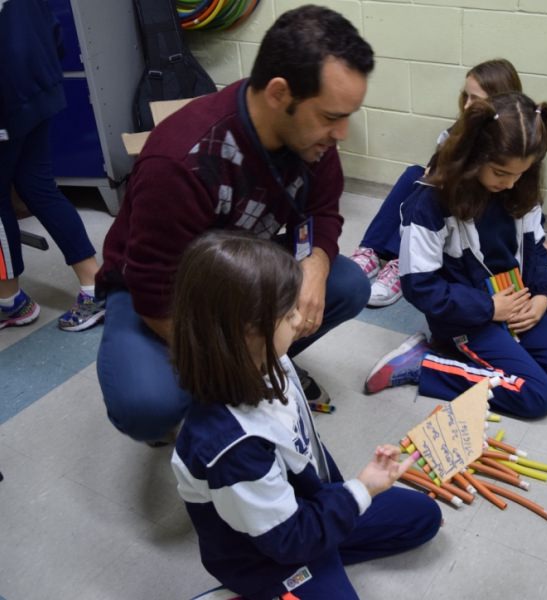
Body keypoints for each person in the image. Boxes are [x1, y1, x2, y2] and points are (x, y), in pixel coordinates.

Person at [95, 5, 373, 443]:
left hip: (242, 269)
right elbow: (153, 294)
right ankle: (230, 375)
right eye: (330, 116)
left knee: (347, 284)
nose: (341, 134)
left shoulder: (310, 137)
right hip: (162, 290)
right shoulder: (180, 161)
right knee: (147, 405)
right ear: (279, 94)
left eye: (346, 116)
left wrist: (315, 266)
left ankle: (267, 357)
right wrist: (236, 369)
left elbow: (322, 211)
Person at [170, 230, 441, 600]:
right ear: (249, 331)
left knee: (423, 517)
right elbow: (287, 540)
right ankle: (269, 587)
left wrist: (346, 496)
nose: (301, 319)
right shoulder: (231, 445)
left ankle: (321, 558)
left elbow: (303, 445)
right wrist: (361, 491)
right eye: (289, 313)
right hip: (267, 554)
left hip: (304, 511)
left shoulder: (274, 359)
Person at [364, 93, 547, 419]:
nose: (511, 183)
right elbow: (420, 286)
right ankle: (426, 364)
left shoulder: (521, 188)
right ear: (473, 156)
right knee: (537, 395)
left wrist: (543, 296)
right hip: (466, 317)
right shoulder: (430, 202)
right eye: (501, 173)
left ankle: (491, 353)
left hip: (514, 303)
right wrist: (489, 307)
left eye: (521, 172)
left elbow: (535, 252)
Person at [351, 59, 547, 308]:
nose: (467, 105)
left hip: (475, 223)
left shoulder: (521, 147)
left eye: (475, 99)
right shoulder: (455, 134)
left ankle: (398, 260)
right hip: (450, 213)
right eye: (466, 96)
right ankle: (373, 250)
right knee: (415, 177)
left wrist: (533, 242)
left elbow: (525, 200)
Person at [0, 0, 105, 332]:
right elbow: (54, 31)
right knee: (39, 187)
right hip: (37, 88)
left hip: (7, 101)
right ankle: (95, 285)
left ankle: (9, 302)